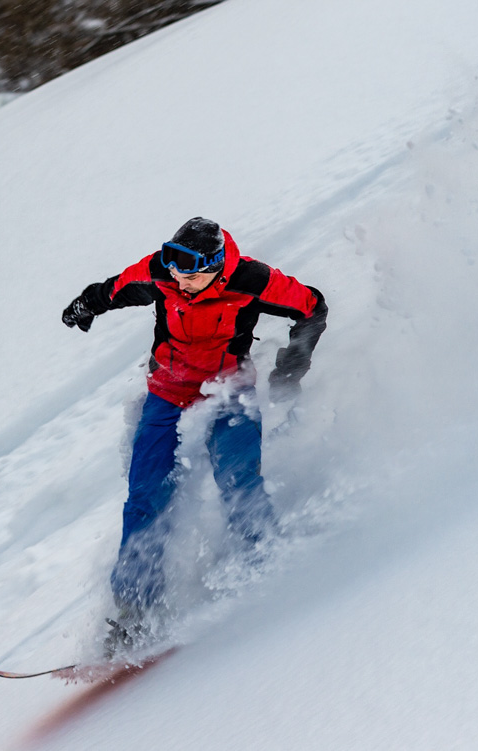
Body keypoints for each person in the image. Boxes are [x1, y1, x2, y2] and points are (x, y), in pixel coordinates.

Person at [61, 217, 327, 655]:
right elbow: (113, 289)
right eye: (174, 266)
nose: (180, 278)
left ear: (217, 265)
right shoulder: (161, 273)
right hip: (166, 392)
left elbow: (313, 307)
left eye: (191, 270)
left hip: (228, 389)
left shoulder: (253, 280)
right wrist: (85, 306)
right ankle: (133, 613)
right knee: (145, 496)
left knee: (238, 480)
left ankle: (269, 568)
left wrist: (290, 367)